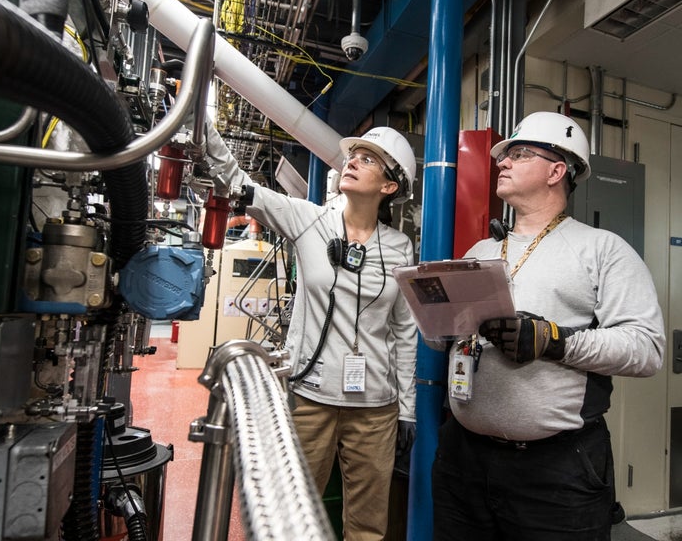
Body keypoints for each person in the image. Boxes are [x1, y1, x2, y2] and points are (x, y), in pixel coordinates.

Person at [431, 111, 665, 541]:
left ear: (557, 170)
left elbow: (646, 348)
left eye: (518, 154)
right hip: (462, 459)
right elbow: (452, 333)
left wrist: (552, 340)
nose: (502, 162)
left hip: (555, 473)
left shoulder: (603, 250)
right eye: (504, 156)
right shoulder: (483, 248)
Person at [204, 119, 419, 540]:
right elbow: (238, 183)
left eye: (368, 159)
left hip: (376, 408)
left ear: (389, 187)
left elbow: (404, 332)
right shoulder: (308, 221)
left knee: (368, 526)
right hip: (310, 400)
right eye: (353, 155)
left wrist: (407, 409)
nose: (353, 161)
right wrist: (202, 129)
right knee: (292, 511)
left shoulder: (400, 247)